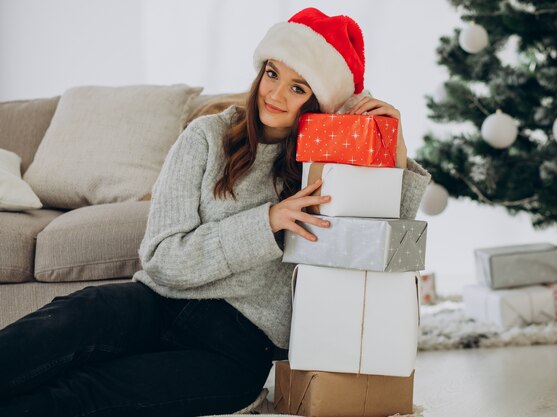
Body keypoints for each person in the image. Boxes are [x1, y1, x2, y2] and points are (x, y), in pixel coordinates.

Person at [0, 7, 430, 417]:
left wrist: (392, 151)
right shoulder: (207, 137)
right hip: (159, 303)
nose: (276, 94)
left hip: (237, 349)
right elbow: (162, 258)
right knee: (67, 322)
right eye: (272, 73)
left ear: (318, 101)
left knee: (79, 396)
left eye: (298, 87)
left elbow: (383, 244)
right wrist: (267, 223)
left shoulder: (326, 161)